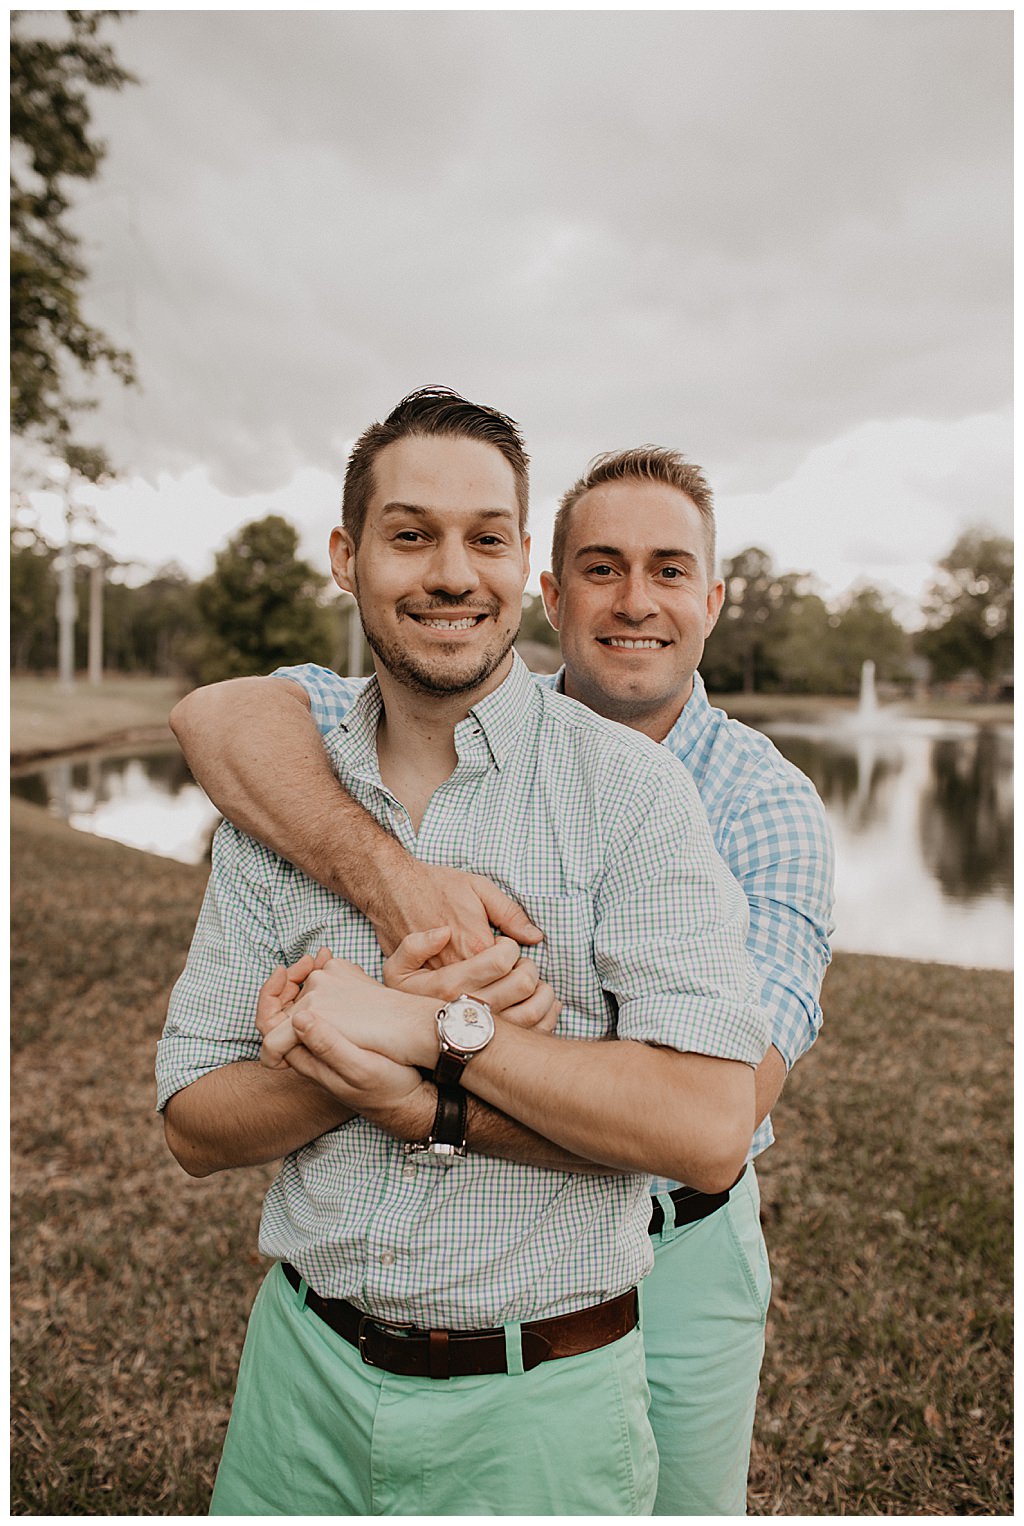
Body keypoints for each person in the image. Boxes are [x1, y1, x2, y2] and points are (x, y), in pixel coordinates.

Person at [173, 435, 835, 1515]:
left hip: (678, 1237)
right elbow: (218, 715)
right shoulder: (386, 708)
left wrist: (424, 1071)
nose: (634, 601)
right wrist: (396, 884)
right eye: (601, 567)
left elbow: (714, 1111)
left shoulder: (756, 805)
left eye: (669, 569)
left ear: (712, 599)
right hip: (340, 1340)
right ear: (550, 586)